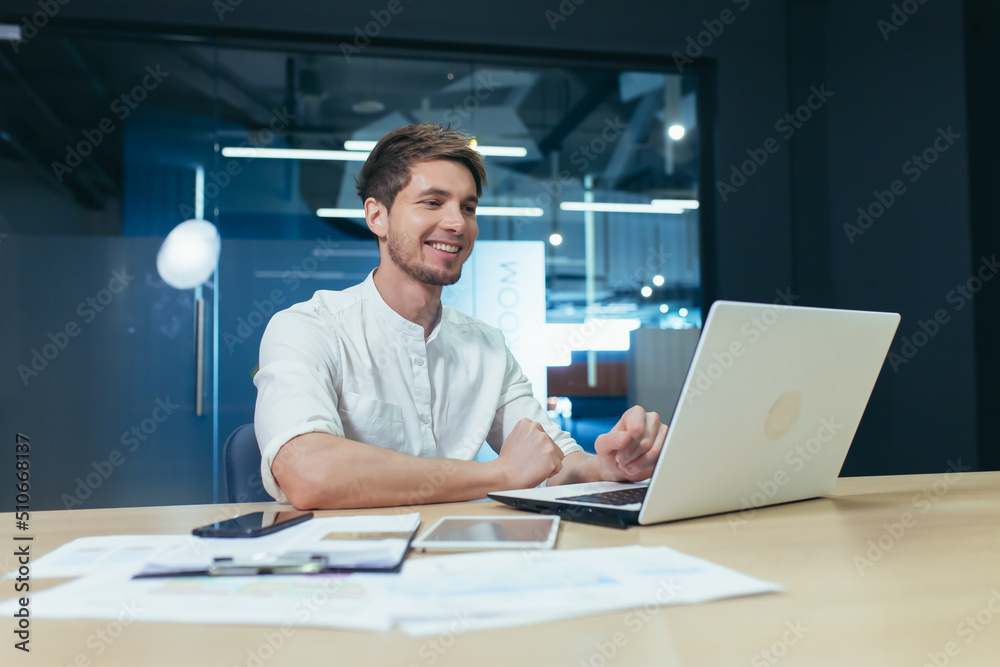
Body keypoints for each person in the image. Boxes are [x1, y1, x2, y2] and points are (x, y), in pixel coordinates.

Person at [253, 124, 667, 509]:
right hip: (349, 571)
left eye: (468, 208)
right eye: (433, 202)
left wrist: (609, 468)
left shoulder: (485, 345)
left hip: (457, 560)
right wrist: (501, 474)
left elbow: (555, 463)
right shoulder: (309, 328)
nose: (457, 223)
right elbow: (308, 473)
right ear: (376, 216)